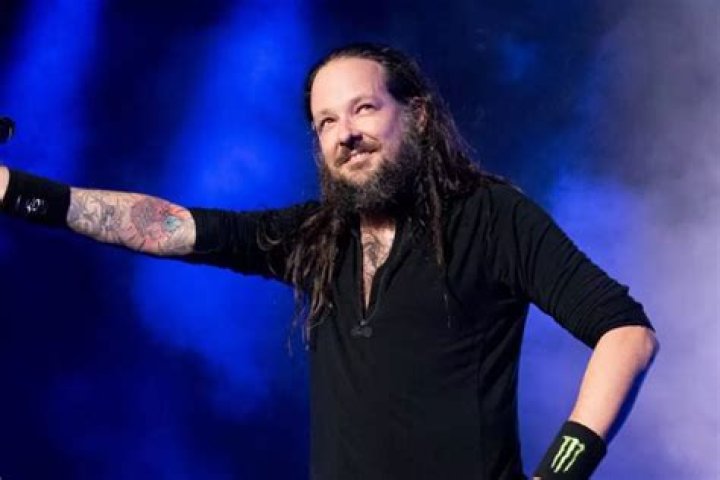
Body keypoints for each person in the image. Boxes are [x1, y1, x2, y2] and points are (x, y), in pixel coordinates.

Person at [0, 43, 657, 479]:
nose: (346, 134)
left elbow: (625, 331)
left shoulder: (490, 216)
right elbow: (169, 228)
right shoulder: (316, 237)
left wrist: (559, 471)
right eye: (326, 122)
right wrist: (15, 191)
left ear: (418, 117)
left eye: (363, 108)